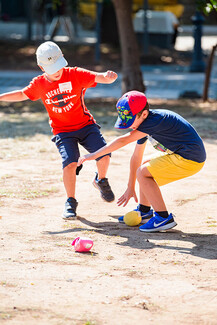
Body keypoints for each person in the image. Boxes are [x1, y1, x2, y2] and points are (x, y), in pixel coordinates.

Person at [0, 41, 118, 220]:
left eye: (59, 65)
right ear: (41, 67)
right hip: (62, 131)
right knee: (70, 164)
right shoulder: (39, 84)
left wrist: (109, 77)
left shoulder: (74, 74)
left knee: (104, 154)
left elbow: (98, 77)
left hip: (86, 125)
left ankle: (100, 180)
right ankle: (71, 201)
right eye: (52, 68)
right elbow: (23, 94)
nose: (58, 71)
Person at [78, 90, 206, 232]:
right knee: (144, 165)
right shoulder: (144, 124)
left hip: (189, 159)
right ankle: (145, 211)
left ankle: (163, 218)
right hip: (184, 156)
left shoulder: (153, 121)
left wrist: (93, 154)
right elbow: (136, 157)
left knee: (144, 172)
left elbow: (123, 140)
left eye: (131, 121)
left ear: (143, 114)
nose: (130, 125)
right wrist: (131, 187)